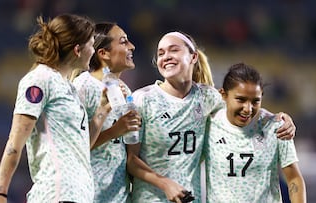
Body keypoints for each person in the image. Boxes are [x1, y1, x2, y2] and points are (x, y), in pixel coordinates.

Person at [126, 31, 296, 203]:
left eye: (173, 50)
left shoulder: (207, 97)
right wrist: (164, 184)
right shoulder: (142, 100)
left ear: (193, 57)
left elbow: (244, 108)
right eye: (161, 53)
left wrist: (279, 118)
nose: (166, 56)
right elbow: (131, 160)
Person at [0, 14, 109, 203]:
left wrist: (102, 111)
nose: (94, 52)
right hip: (57, 193)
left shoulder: (69, 88)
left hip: (80, 195)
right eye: (91, 45)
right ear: (77, 49)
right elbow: (15, 140)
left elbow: (81, 148)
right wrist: (0, 193)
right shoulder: (39, 80)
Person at [204, 63, 306, 202]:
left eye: (255, 101)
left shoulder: (276, 126)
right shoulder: (208, 125)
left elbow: (294, 178)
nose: (248, 108)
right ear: (223, 95)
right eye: (241, 99)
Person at [71, 22, 141, 203]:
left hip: (119, 196)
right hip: (89, 195)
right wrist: (115, 131)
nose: (131, 46)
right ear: (103, 53)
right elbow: (73, 148)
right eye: (123, 42)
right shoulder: (83, 87)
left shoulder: (124, 89)